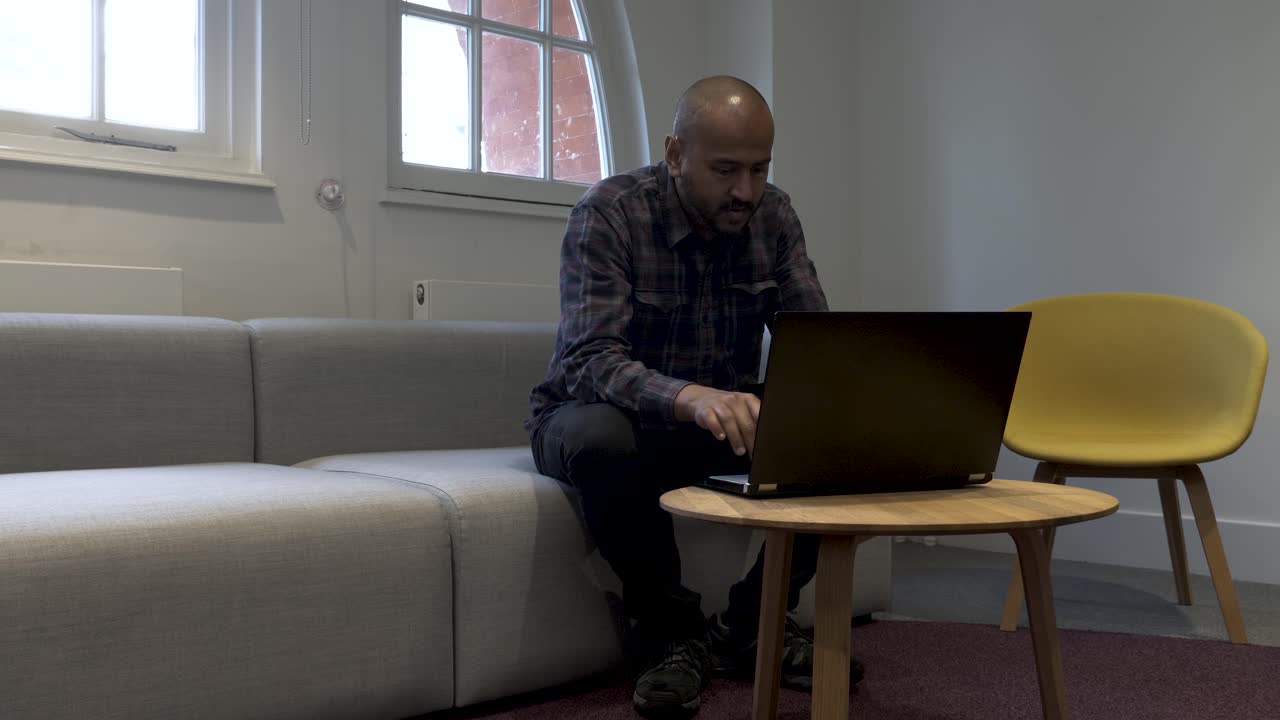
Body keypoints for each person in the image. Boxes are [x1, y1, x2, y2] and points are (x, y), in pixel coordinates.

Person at [526, 75, 862, 717]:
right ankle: (674, 637)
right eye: (727, 170)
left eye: (760, 169)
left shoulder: (774, 215)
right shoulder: (609, 213)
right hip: (597, 416)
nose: (746, 191)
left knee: (840, 428)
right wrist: (690, 397)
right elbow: (590, 360)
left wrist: (832, 397)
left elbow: (811, 347)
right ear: (676, 155)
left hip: (712, 422)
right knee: (604, 440)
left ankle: (752, 623)